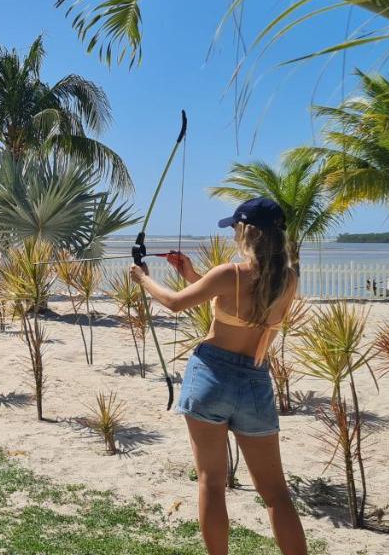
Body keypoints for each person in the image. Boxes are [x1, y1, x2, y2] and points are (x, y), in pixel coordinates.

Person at [129, 197, 307, 555]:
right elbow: (243, 310)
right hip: (254, 381)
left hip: (211, 375)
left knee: (211, 483)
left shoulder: (231, 274)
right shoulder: (287, 280)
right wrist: (192, 275)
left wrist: (143, 278)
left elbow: (176, 303)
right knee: (275, 493)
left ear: (247, 232)